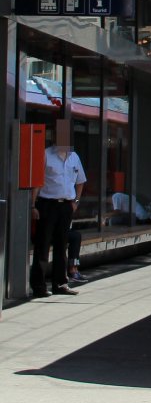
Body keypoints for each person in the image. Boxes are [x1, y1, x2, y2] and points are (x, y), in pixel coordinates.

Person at [30, 125, 87, 297]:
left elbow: (80, 180)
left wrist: (76, 201)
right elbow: (37, 183)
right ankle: (39, 287)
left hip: (66, 205)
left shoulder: (74, 157)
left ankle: (60, 284)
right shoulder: (46, 154)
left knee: (62, 245)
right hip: (47, 204)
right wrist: (33, 205)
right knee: (43, 245)